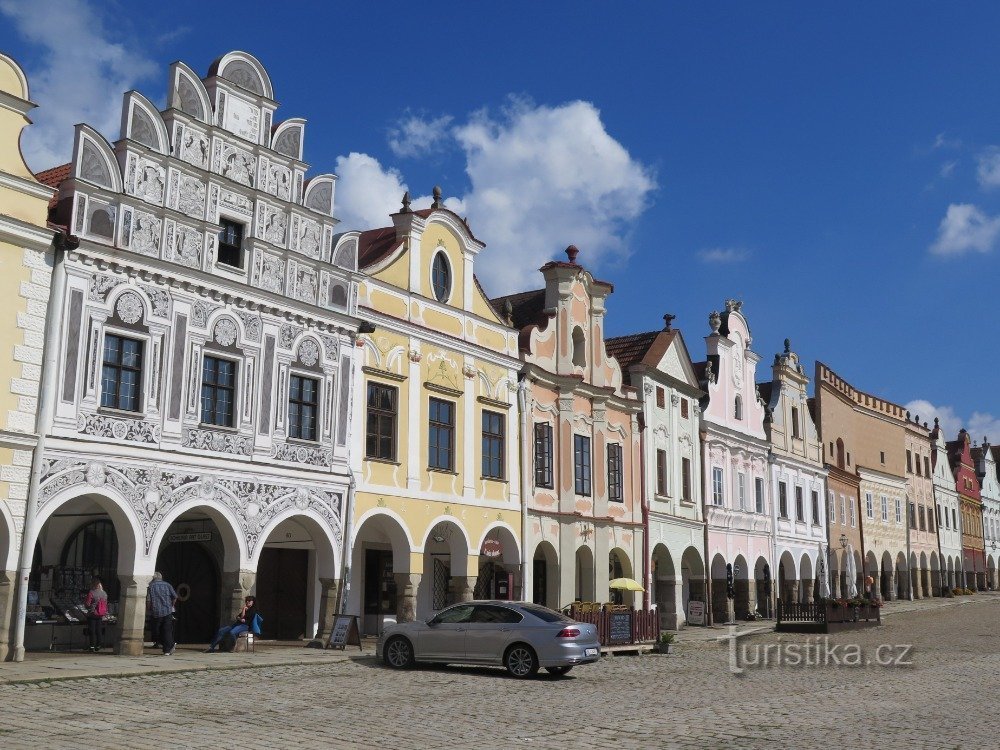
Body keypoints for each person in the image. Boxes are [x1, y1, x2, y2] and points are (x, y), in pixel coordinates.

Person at [147, 572, 178, 656]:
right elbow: (175, 596)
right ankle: (168, 649)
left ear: (153, 578)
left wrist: (148, 609)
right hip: (167, 611)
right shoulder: (167, 585)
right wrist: (171, 605)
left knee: (156, 630)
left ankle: (167, 646)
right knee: (166, 630)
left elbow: (149, 601)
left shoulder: (150, 586)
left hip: (156, 612)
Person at [84, 578, 108, 652]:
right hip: (100, 614)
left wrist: (87, 606)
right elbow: (106, 603)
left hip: (92, 614)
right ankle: (98, 645)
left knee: (92, 631)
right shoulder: (104, 593)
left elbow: (87, 604)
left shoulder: (91, 592)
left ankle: (92, 646)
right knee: (99, 630)